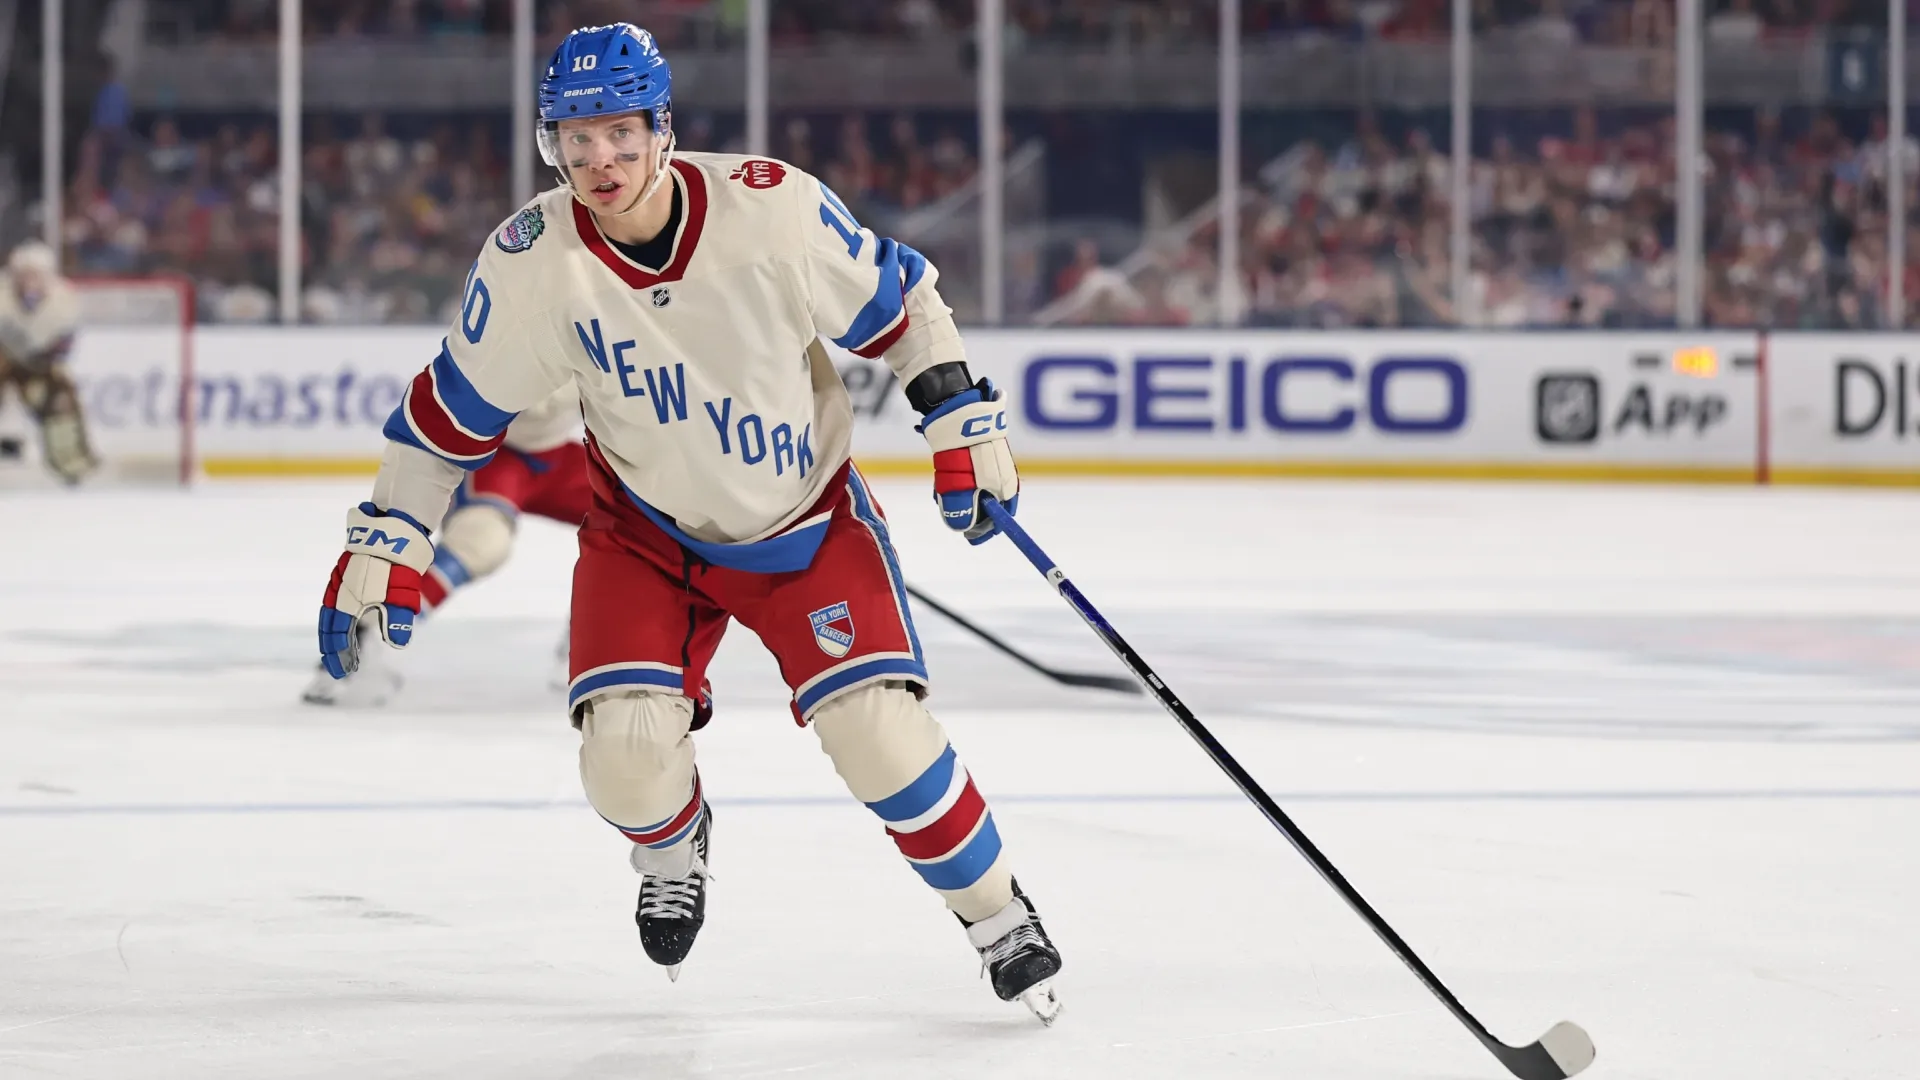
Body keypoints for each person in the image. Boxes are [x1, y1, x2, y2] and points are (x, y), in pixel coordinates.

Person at [310, 23, 1061, 1021]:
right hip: (646, 537)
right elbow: (447, 413)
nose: (600, 161)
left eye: (620, 134)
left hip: (806, 525)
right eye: (576, 139)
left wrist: (959, 415)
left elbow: (902, 301)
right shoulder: (532, 259)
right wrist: (390, 532)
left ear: (662, 130)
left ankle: (999, 915)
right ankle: (673, 846)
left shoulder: (771, 209)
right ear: (550, 143)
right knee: (622, 764)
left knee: (878, 735)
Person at [301, 384, 590, 707]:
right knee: (481, 543)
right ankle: (371, 631)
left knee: (630, 519)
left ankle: (596, 641)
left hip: (557, 457)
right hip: (494, 456)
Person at [0, 241, 97, 484]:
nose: (29, 281)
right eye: (24, 274)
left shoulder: (64, 300)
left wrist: (46, 365)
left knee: (59, 399)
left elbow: (63, 346)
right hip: (3, 355)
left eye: (36, 275)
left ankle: (70, 461)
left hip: (39, 362)